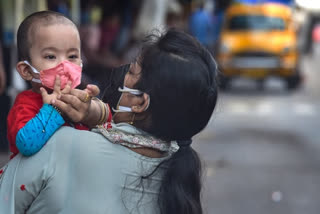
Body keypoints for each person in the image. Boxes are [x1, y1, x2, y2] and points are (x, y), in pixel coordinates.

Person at [0, 29, 219, 214]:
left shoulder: (61, 146)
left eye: (132, 71)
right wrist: (100, 116)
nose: (123, 74)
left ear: (140, 104)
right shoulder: (179, 176)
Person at [6, 11, 111, 158]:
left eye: (72, 56)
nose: (65, 65)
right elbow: (26, 145)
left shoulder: (80, 97)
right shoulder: (26, 104)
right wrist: (53, 110)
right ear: (27, 70)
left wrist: (94, 109)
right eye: (51, 56)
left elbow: (112, 127)